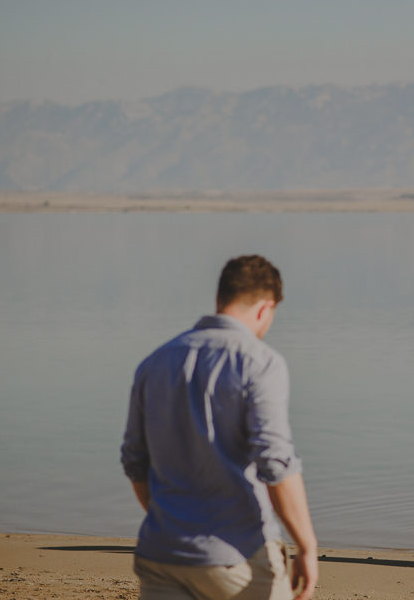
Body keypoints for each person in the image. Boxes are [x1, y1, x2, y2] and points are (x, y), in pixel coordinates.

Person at [121, 255, 318, 600]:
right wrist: (306, 545)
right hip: (236, 554)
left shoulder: (154, 363)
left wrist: (174, 520)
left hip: (162, 552)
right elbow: (275, 462)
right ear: (265, 309)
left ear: (220, 299)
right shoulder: (260, 362)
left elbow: (135, 462)